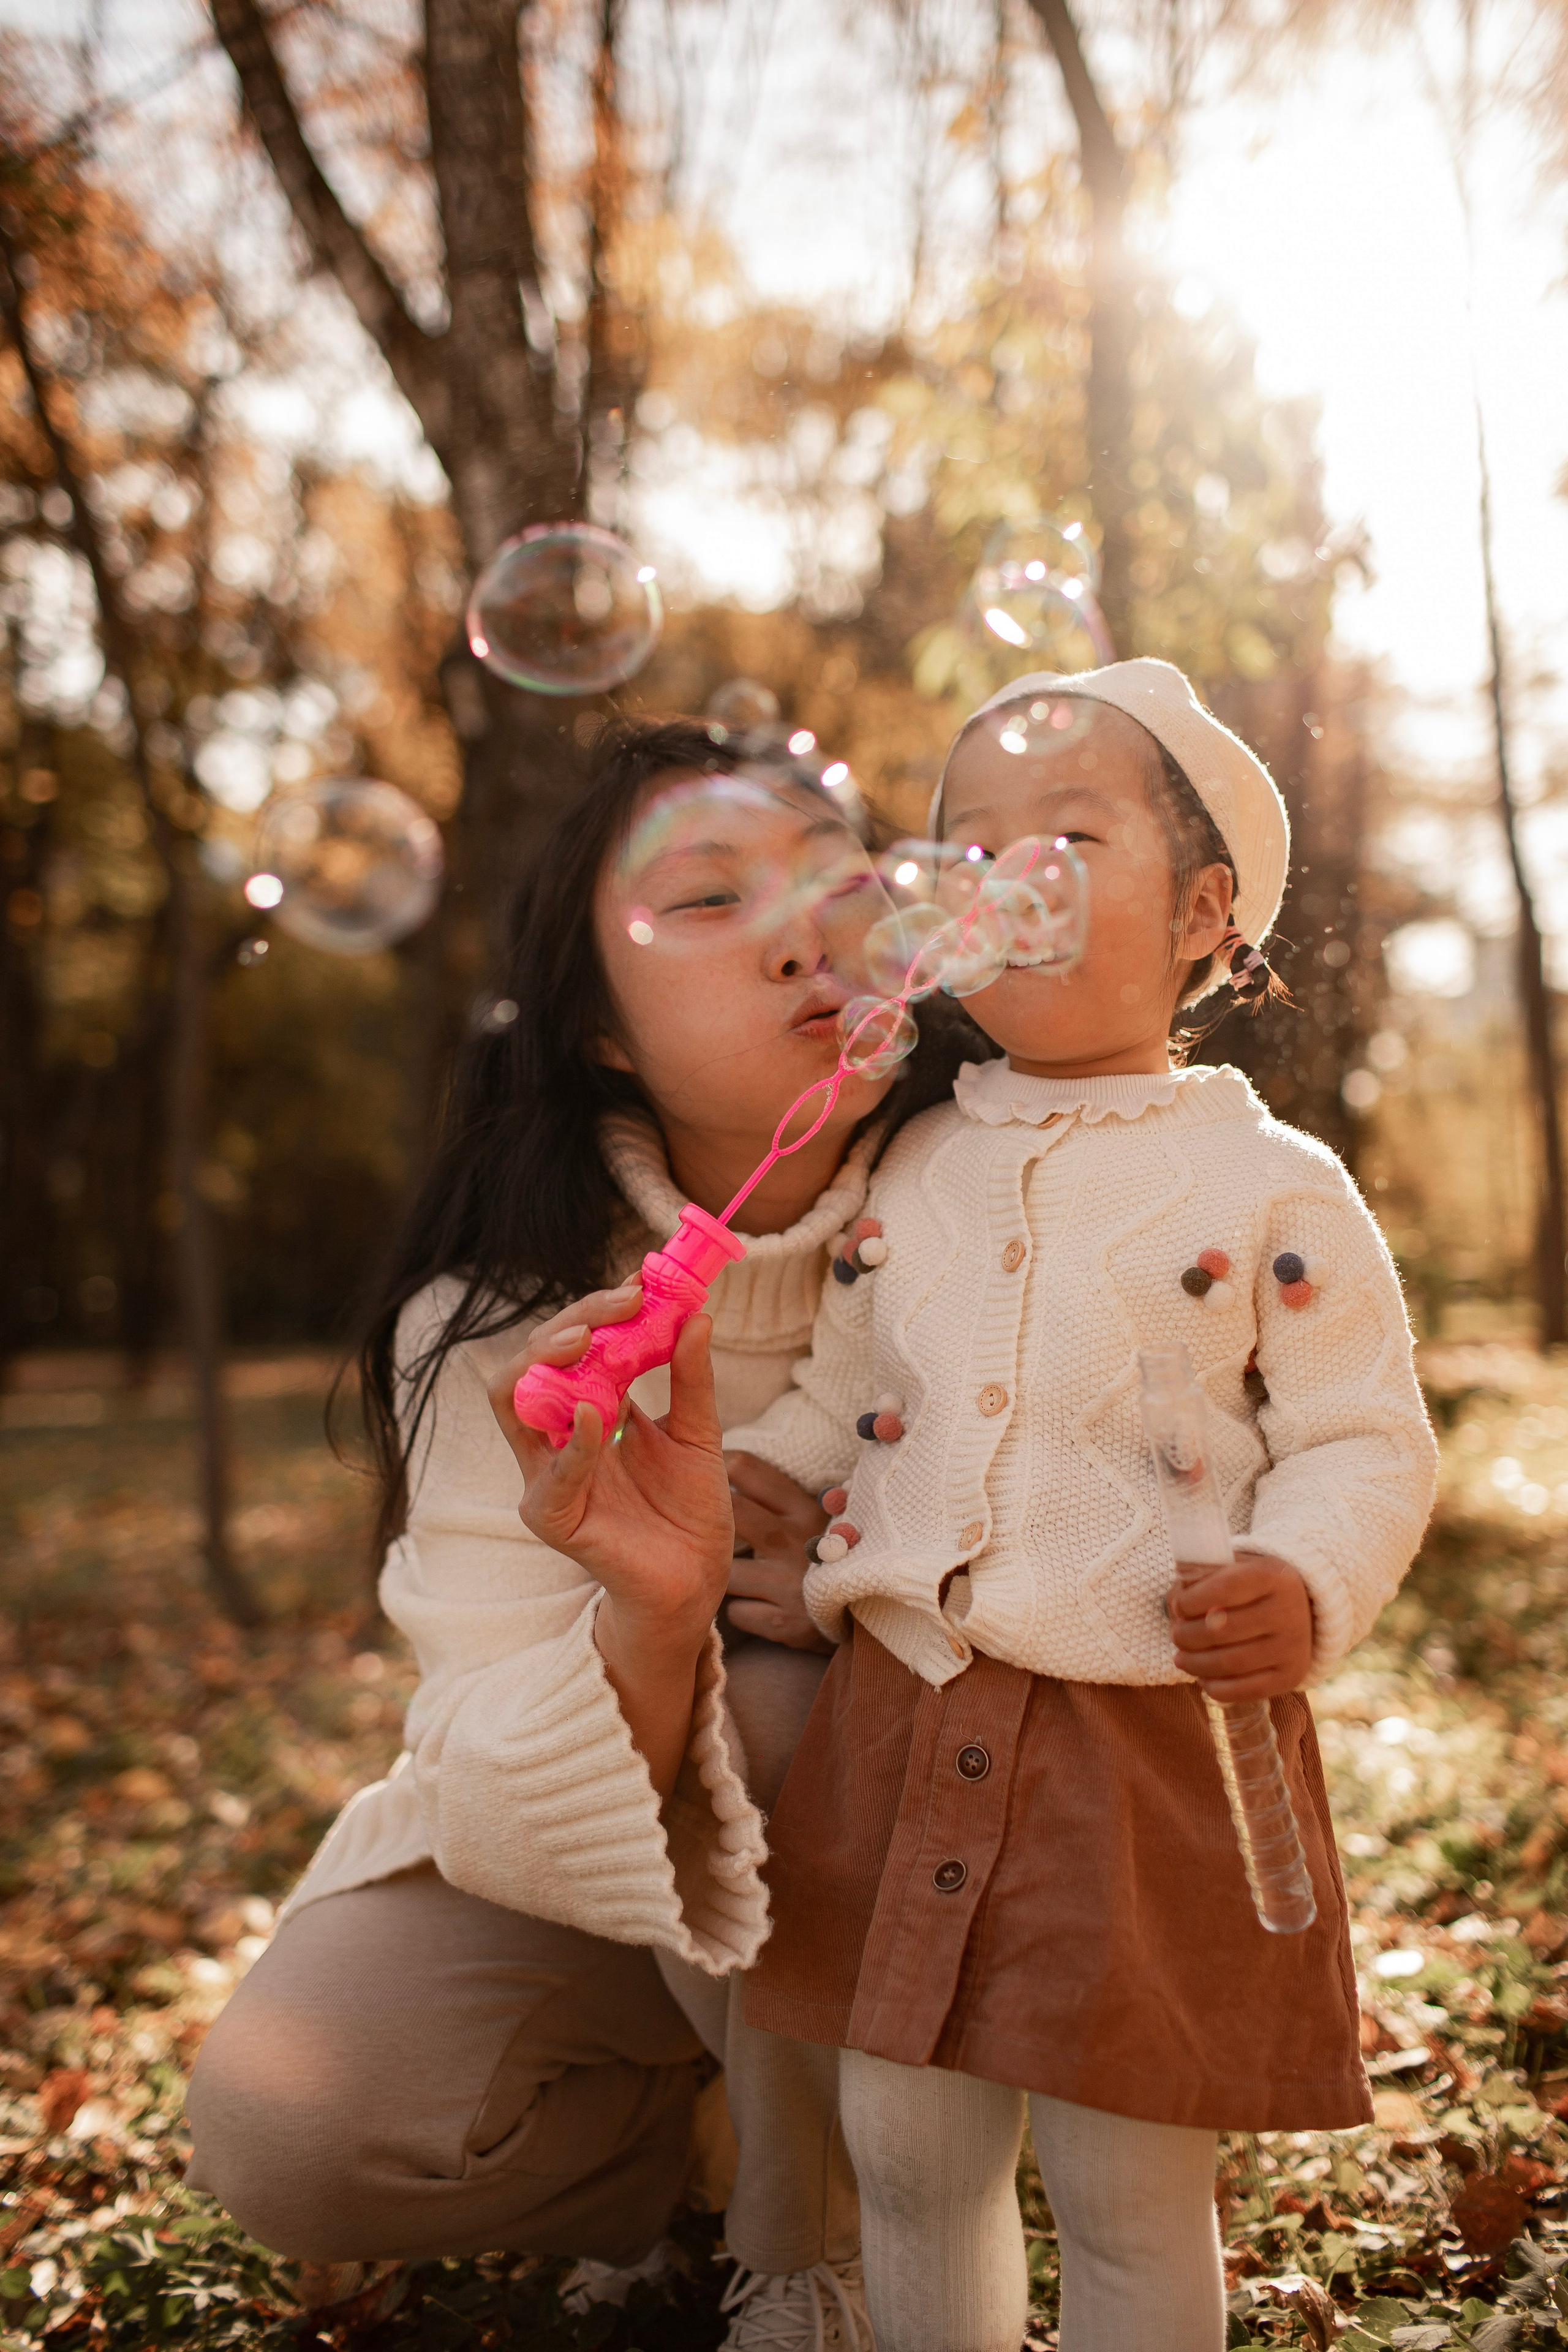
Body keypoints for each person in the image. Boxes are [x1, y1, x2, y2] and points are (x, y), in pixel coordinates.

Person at [184, 718, 981, 2351]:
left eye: (836, 882)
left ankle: (838, 2224)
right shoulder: (503, 1332)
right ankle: (718, 2138)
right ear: (602, 1034)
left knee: (788, 1705)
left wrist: (857, 1577)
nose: (800, 936)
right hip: (607, 1882)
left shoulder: (1012, 1213)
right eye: (709, 899)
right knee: (295, 2129)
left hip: (952, 1882)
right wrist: (656, 1615)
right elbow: (483, 1750)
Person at [703, 660, 1439, 2352]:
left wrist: (1303, 1575)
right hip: (904, 1717)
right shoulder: (912, 1165)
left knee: (1126, 2179)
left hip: (1146, 1745)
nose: (1008, 879)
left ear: (1203, 913)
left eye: (1070, 837)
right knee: (908, 2151)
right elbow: (850, 1382)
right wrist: (769, 1477)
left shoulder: (1272, 1186)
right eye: (969, 849)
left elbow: (1363, 1438)